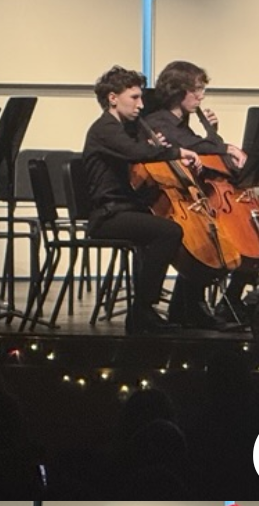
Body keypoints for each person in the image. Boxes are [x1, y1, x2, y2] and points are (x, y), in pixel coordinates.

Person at [82, 66, 198, 334]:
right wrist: (175, 151)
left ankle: (183, 304)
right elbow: (136, 153)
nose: (141, 105)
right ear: (113, 98)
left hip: (124, 211)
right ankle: (142, 311)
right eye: (134, 97)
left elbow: (138, 153)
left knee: (172, 228)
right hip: (107, 216)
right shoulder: (105, 129)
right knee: (169, 232)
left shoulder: (123, 129)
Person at [143, 60, 257, 329]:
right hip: (162, 202)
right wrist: (223, 145)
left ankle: (191, 307)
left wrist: (212, 135)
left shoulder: (181, 123)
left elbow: (202, 152)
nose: (201, 96)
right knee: (213, 234)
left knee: (236, 231)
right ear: (178, 91)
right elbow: (192, 147)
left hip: (195, 197)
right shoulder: (159, 122)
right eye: (196, 90)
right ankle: (192, 308)